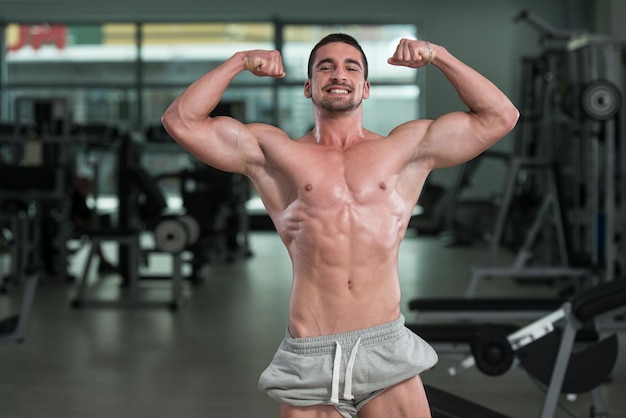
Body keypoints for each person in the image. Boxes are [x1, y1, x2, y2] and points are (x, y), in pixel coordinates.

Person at [162, 33, 519, 418]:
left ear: (365, 87)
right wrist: (239, 60)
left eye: (351, 67)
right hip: (311, 352)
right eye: (325, 66)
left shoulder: (404, 149)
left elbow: (500, 116)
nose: (338, 74)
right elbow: (181, 121)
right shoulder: (277, 153)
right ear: (308, 86)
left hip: (385, 347)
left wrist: (439, 55)